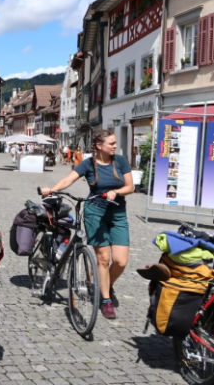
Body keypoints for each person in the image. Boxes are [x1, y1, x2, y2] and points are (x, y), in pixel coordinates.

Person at [39, 129, 134, 320]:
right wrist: (52, 190)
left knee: (121, 261)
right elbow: (70, 178)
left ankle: (102, 282)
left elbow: (130, 186)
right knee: (103, 258)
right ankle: (105, 299)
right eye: (112, 144)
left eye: (115, 143)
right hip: (95, 212)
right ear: (99, 146)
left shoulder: (120, 161)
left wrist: (118, 192)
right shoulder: (88, 164)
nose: (115, 146)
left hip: (117, 213)